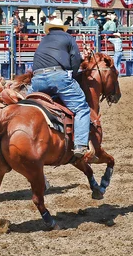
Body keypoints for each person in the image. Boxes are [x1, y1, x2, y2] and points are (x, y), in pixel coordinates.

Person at [26, 18, 90, 158]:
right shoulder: (68, 38)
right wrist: (72, 76)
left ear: (49, 29)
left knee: (25, 104)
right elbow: (75, 60)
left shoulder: (43, 40)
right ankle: (80, 144)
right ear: (62, 28)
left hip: (36, 80)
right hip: (57, 77)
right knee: (81, 107)